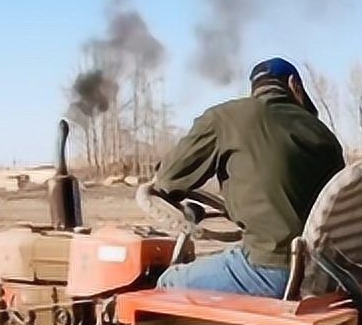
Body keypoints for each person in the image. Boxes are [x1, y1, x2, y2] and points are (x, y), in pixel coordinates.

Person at [141, 56, 345, 297]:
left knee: (168, 282)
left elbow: (167, 179)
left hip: (272, 269)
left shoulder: (226, 119)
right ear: (294, 85)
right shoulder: (324, 134)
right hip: (327, 272)